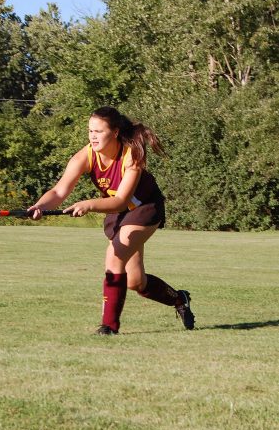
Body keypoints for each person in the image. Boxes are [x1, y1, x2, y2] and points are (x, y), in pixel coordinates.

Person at [28, 106, 195, 334]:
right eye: (90, 131)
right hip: (119, 214)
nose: (92, 136)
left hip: (144, 208)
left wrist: (88, 204)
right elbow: (58, 192)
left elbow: (121, 200)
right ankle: (179, 299)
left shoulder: (132, 154)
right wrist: (40, 206)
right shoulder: (85, 155)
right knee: (136, 282)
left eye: (98, 131)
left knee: (114, 255)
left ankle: (109, 326)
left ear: (115, 132)